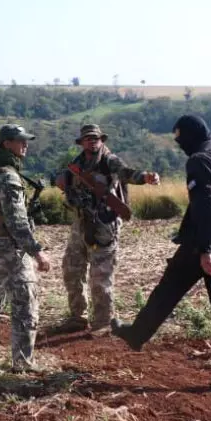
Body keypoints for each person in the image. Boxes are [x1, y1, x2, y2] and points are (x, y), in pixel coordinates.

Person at [112, 115, 211, 398]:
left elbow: (205, 205)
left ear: (188, 136)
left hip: (209, 243)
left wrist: (205, 250)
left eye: (179, 138)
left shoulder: (200, 159)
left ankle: (137, 333)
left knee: (176, 288)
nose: (178, 144)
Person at [53, 125, 160, 332]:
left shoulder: (109, 160)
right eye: (87, 139)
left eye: (95, 138)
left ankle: (103, 322)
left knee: (100, 276)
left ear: (101, 140)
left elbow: (127, 173)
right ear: (81, 142)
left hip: (104, 224)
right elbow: (63, 180)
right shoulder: (77, 163)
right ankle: (78, 317)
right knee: (71, 269)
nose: (92, 141)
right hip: (81, 223)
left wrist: (146, 177)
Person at [0, 125, 51, 371]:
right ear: (6, 143)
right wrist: (37, 252)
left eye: (25, 140)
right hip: (9, 250)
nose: (25, 144)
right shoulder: (8, 176)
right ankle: (23, 365)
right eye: (20, 141)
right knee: (25, 307)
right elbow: (16, 220)